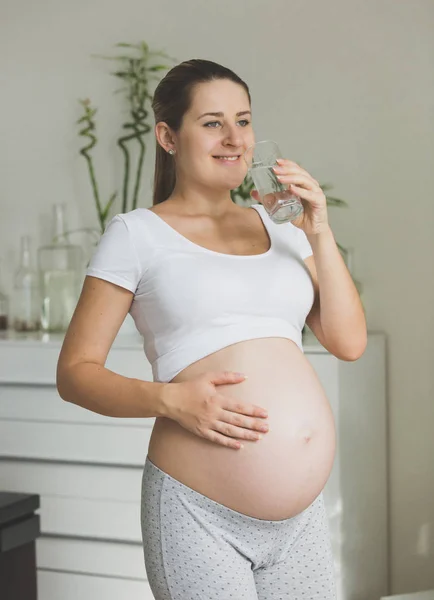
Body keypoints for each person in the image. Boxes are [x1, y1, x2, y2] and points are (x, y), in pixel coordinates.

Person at [57, 58, 367, 599]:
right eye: (212, 123)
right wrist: (173, 401)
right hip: (197, 512)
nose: (234, 138)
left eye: (243, 121)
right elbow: (75, 373)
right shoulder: (137, 235)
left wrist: (318, 229)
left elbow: (348, 341)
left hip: (300, 520)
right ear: (168, 136)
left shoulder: (284, 228)